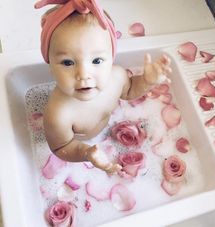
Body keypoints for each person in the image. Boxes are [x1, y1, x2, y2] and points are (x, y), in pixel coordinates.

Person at [35, 0, 172, 174]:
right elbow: (61, 146)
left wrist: (147, 80)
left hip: (105, 131)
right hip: (80, 142)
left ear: (111, 58)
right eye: (68, 62)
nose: (84, 74)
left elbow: (129, 90)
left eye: (97, 61)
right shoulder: (58, 114)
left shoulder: (117, 77)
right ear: (50, 66)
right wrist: (86, 152)